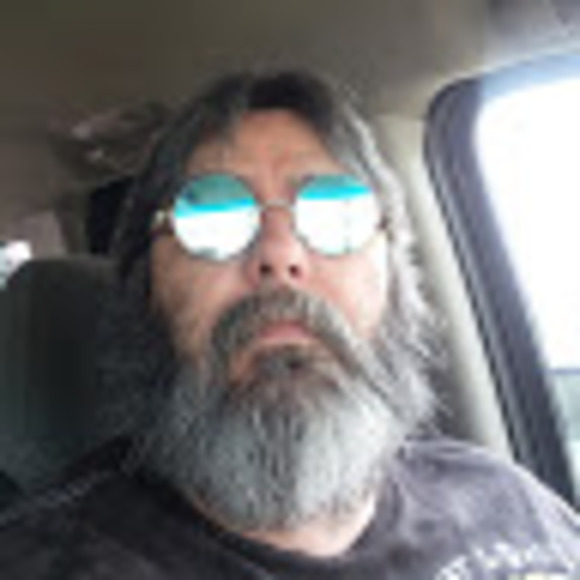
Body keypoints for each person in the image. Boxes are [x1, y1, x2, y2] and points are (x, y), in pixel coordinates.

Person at [0, 70, 578, 578]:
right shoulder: (40, 561)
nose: (279, 254)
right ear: (146, 289)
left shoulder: (510, 501)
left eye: (336, 210)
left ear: (395, 276)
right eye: (210, 218)